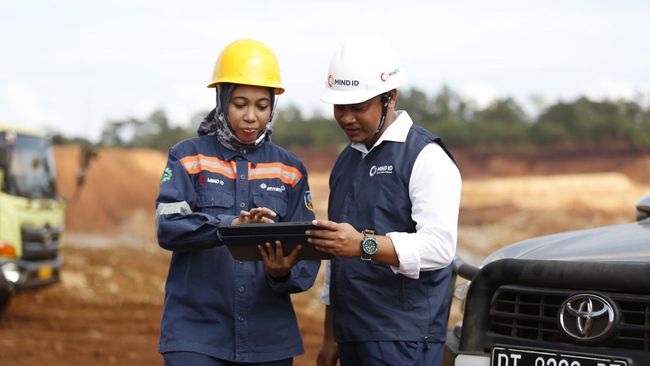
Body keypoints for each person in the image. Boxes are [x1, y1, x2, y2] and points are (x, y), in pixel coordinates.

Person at [155, 39, 320, 366]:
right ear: (221, 100)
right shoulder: (187, 157)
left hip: (268, 339)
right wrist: (231, 226)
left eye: (261, 106)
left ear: (273, 107)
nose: (250, 116)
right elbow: (169, 227)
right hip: (195, 335)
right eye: (240, 103)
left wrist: (282, 271)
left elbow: (306, 250)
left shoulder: (289, 169)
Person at [308, 36, 462, 366]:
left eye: (358, 107)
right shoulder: (345, 162)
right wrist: (330, 337)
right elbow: (338, 257)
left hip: (404, 340)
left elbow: (439, 247)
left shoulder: (425, 157)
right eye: (340, 107)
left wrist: (363, 245)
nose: (347, 118)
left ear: (389, 98)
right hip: (353, 337)